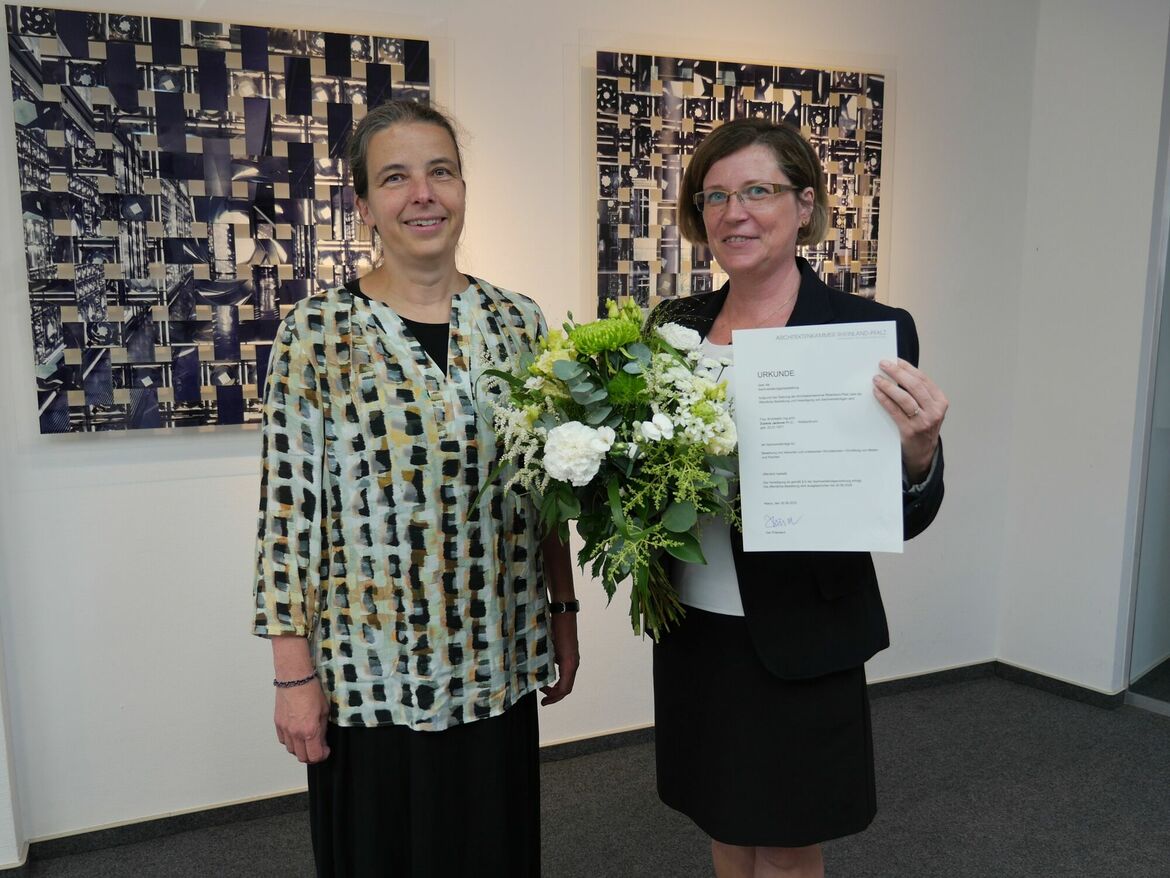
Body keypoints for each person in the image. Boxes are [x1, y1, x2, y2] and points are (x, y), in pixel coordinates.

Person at [252, 100, 580, 877]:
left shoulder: (517, 323)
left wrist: (562, 616)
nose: (422, 194)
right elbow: (286, 518)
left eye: (440, 172)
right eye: (395, 178)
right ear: (364, 205)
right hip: (370, 677)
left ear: (463, 188)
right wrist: (293, 677)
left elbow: (547, 493)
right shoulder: (316, 332)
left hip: (496, 660)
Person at [650, 118, 947, 878]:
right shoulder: (673, 326)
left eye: (758, 191)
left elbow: (902, 509)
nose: (733, 213)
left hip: (801, 630)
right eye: (715, 196)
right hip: (695, 624)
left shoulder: (864, 331)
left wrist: (918, 455)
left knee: (786, 836)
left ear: (805, 205)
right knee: (722, 815)